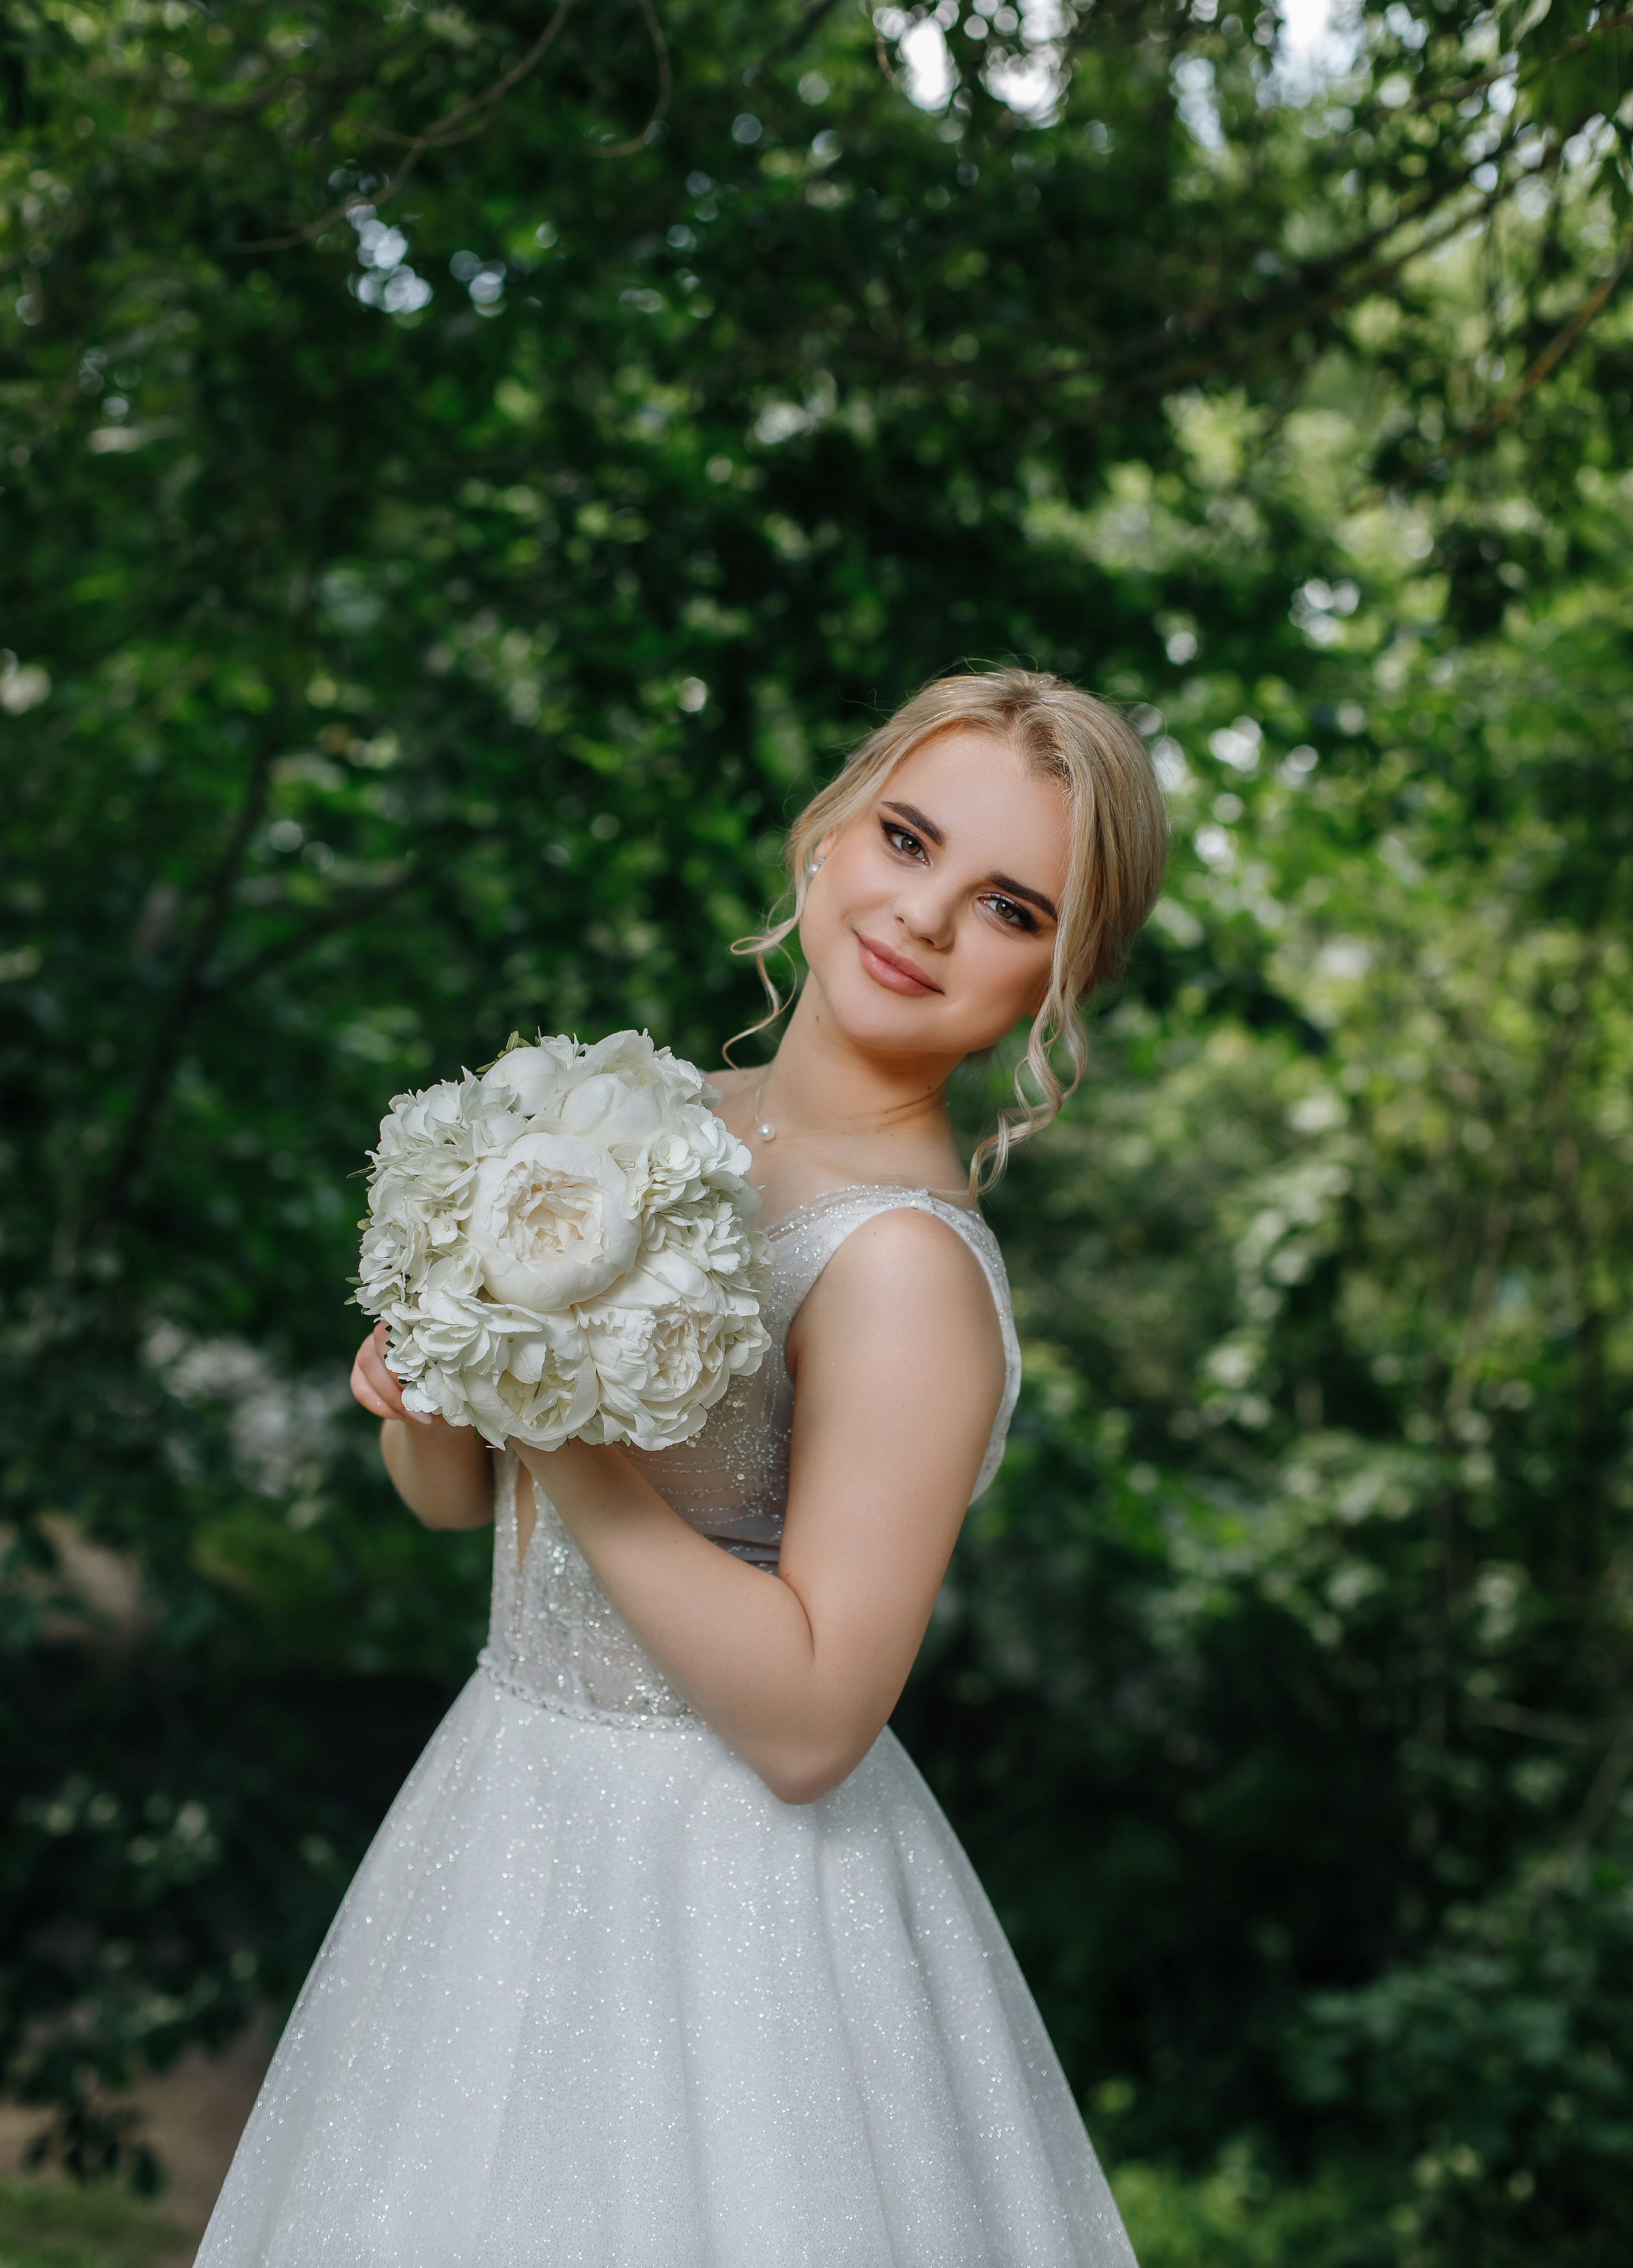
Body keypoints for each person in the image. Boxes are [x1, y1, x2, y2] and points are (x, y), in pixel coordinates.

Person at [195, 667, 1169, 2267]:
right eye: (906, 839)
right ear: (826, 835)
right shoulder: (651, 1127)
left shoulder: (901, 1274)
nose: (921, 916)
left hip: (725, 1911)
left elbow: (808, 1723)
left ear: (1055, 988)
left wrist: (568, 1445)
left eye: (1006, 906)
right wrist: (431, 1394)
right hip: (499, 1813)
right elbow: (459, 1511)